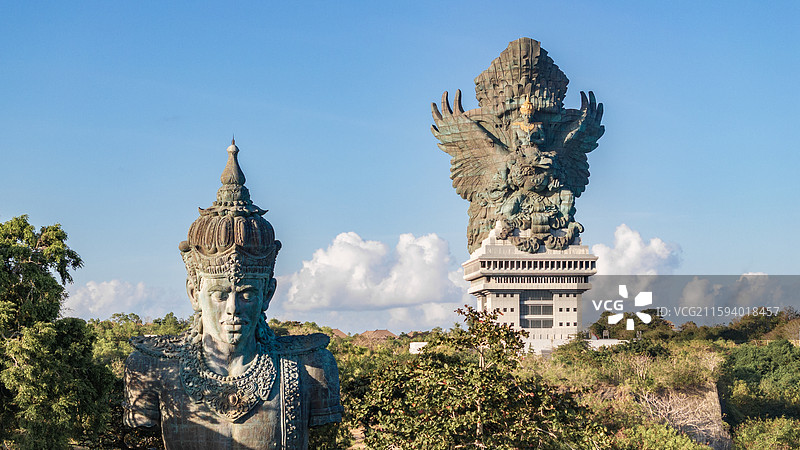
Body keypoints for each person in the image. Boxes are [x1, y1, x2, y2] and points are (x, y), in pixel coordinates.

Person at [124, 140, 342, 449]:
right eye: (219, 294)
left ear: (268, 294)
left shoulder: (310, 368)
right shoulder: (152, 368)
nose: (233, 309)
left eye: (248, 294)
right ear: (192, 292)